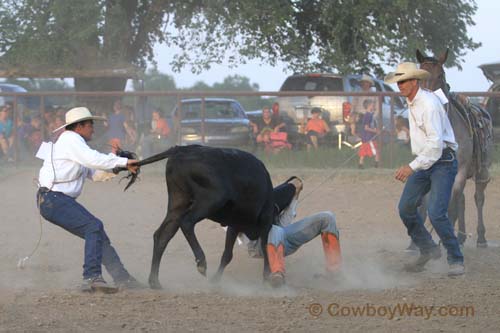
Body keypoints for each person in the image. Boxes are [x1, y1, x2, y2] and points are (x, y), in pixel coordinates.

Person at [36, 107, 141, 293]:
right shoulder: (70, 139)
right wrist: (122, 162)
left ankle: (122, 278)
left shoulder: (74, 143)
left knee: (98, 233)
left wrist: (119, 165)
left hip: (53, 200)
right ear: (79, 126)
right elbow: (93, 160)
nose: (93, 128)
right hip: (54, 198)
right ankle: (91, 277)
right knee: (93, 226)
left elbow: (96, 173)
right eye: (90, 124)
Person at [385, 62, 464, 276]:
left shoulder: (428, 104)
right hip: (426, 160)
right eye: (398, 82)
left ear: (414, 81)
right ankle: (428, 248)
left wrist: (411, 167)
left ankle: (456, 259)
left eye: (403, 81)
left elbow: (435, 145)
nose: (399, 85)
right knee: (406, 208)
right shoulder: (413, 102)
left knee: (436, 213)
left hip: (443, 162)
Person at [244, 177, 341, 287]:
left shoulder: (272, 203)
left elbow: (285, 222)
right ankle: (277, 274)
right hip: (258, 247)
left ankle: (334, 273)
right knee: (274, 229)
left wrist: (295, 195)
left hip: (282, 239)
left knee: (327, 217)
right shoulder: (240, 208)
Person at [358, 99, 380, 168]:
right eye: (372, 105)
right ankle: (377, 165)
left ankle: (360, 164)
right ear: (369, 106)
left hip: (367, 137)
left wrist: (376, 129)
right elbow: (366, 128)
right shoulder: (368, 115)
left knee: (364, 150)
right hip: (369, 137)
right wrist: (375, 131)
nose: (374, 106)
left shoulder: (371, 115)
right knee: (376, 150)